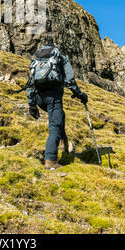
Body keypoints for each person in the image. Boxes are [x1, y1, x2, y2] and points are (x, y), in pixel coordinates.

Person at [26, 41, 88, 170]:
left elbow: (30, 83)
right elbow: (70, 80)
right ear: (54, 48)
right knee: (55, 126)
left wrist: (32, 104)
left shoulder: (36, 59)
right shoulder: (60, 56)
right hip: (53, 97)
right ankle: (50, 160)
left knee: (60, 117)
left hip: (38, 97)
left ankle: (63, 145)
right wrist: (80, 95)